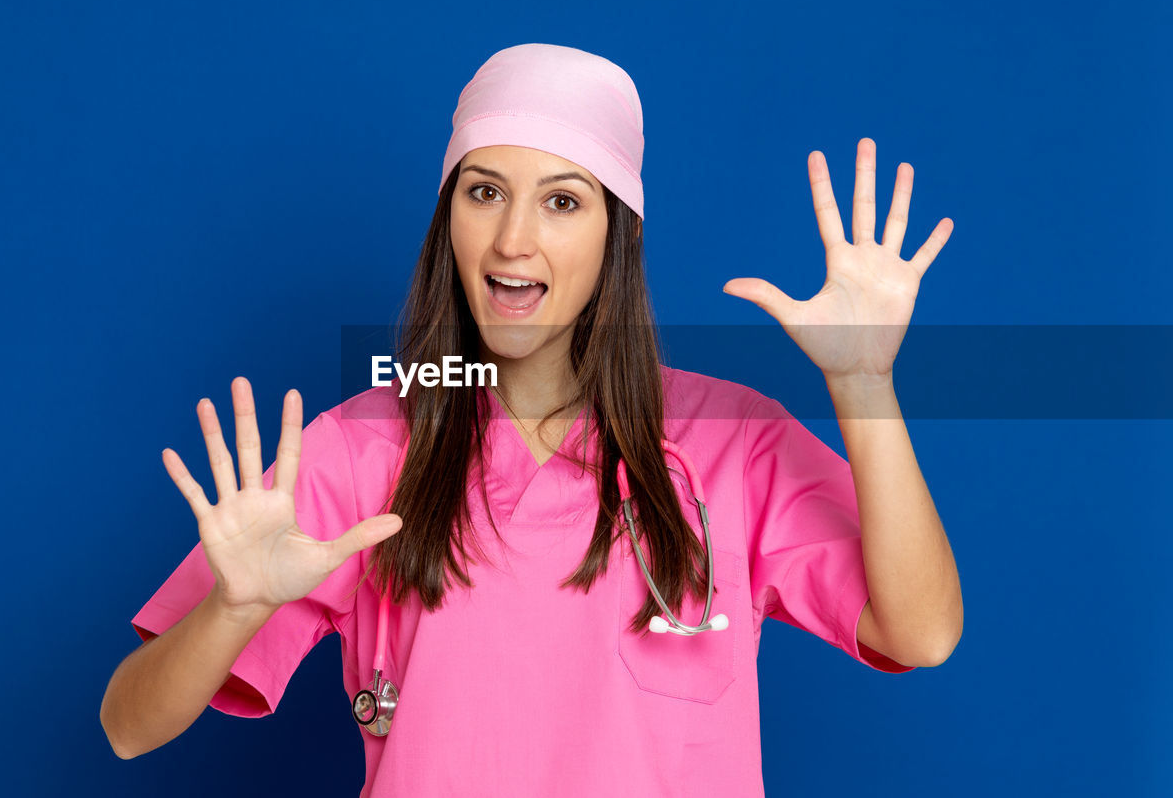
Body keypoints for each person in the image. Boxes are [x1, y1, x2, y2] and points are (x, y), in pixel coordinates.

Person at [100, 43, 962, 796]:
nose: (514, 239)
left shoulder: (733, 442)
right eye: (484, 192)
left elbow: (920, 632)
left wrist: (863, 381)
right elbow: (128, 725)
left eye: (561, 201)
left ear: (613, 233)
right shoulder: (363, 448)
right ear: (450, 218)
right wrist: (232, 608)